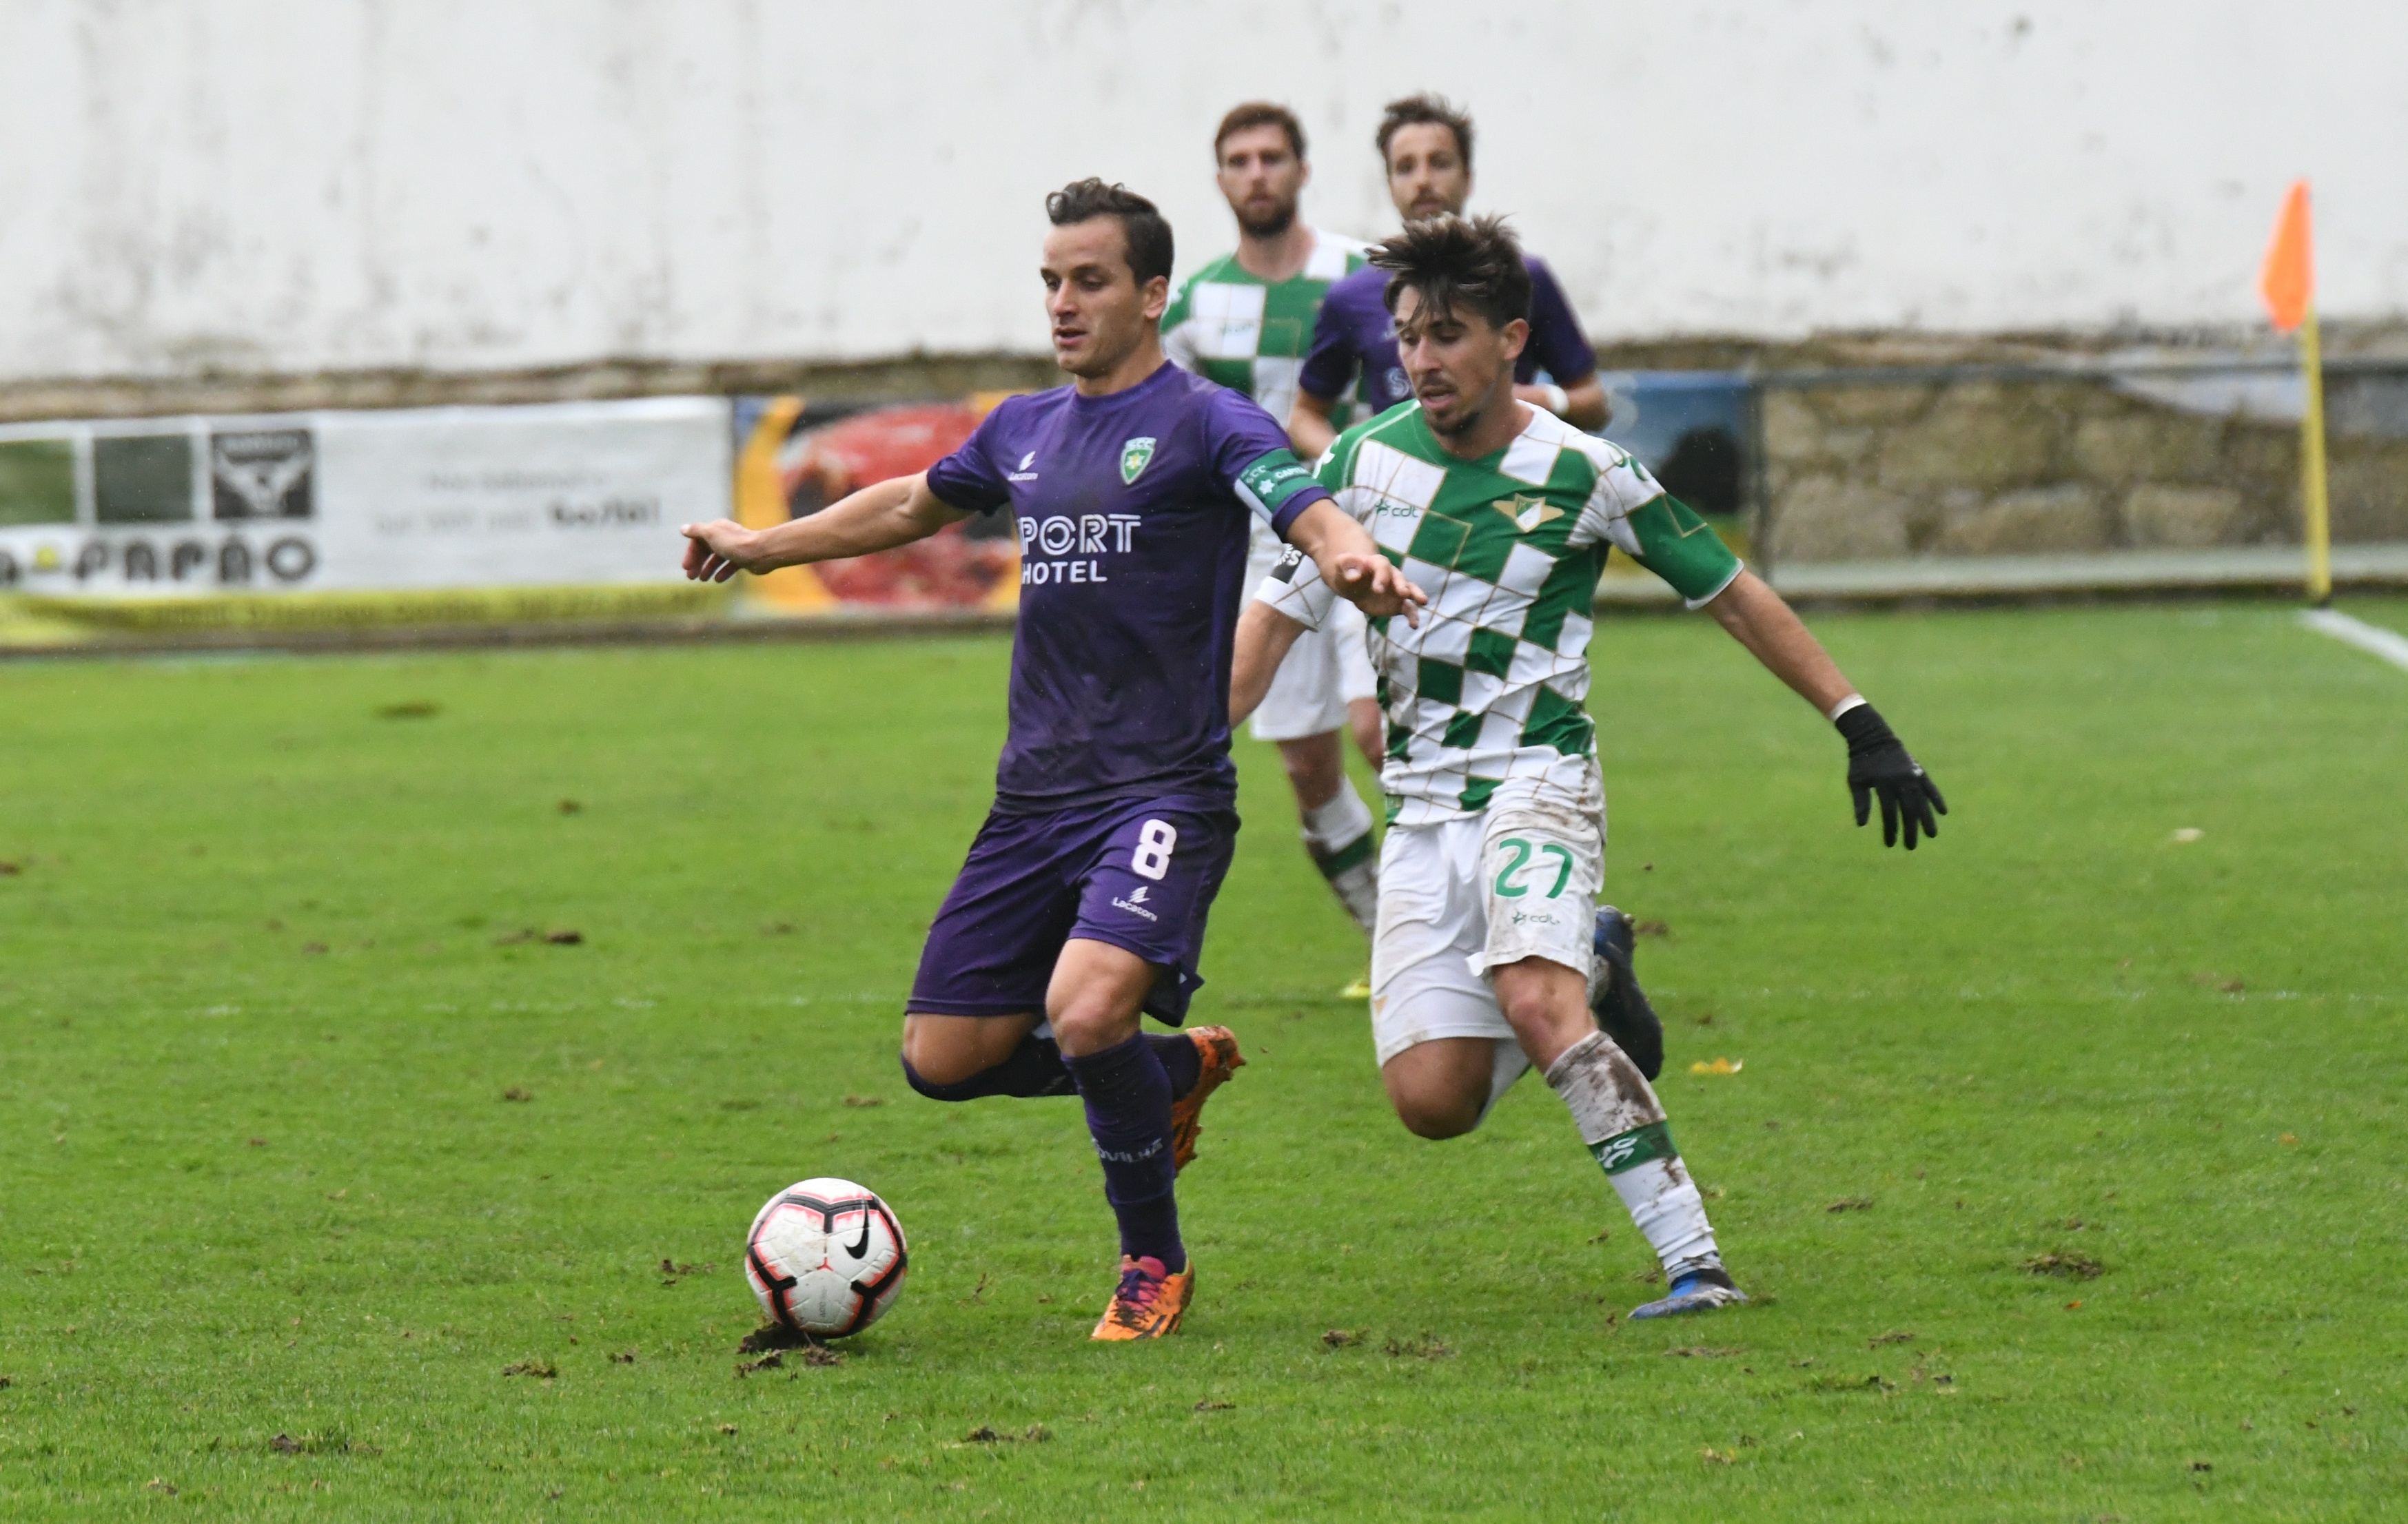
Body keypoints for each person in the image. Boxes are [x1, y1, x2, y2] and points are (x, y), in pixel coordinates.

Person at [680, 179, 1423, 1341]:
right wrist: (763, 544)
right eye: (1049, 281)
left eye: (1088, 280)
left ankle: (1151, 1261)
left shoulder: (1206, 418)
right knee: (943, 1056)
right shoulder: (1022, 428)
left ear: (1150, 293)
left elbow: (1300, 501)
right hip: (1033, 798)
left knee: (1081, 1016)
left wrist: (1348, 557)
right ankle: (1168, 1074)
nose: (1062, 303)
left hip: (1162, 790)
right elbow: (905, 506)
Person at [1232, 215, 1944, 1319]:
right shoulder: (1356, 466)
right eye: (1410, 336)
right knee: (1430, 1103)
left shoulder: (1584, 469)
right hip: (1420, 812)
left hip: (1538, 779)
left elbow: (1729, 590)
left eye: (1450, 335)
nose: (1424, 359)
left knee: (1531, 994)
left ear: (1512, 338)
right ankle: (1598, 964)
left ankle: (1694, 1263)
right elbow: (1271, 620)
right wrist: (1180, 752)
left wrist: (1858, 721)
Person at [1161, 103, 1384, 989]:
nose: (1255, 174)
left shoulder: (1359, 275)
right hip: (1262, 549)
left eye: (1271, 158)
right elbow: (1172, 436)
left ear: (1299, 171)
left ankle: (1450, 935)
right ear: (1220, 180)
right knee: (1307, 768)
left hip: (1366, 526)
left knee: (1378, 731)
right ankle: (1386, 938)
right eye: (1238, 160)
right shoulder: (1190, 306)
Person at [1289, 93, 1608, 462]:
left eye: (1439, 163)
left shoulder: (1523, 277)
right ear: (1389, 184)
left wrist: (1538, 399)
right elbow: (1305, 416)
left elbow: (1595, 405)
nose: (1423, 180)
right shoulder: (1351, 296)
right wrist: (1354, 468)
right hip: (1405, 505)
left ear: (1468, 178)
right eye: (1406, 167)